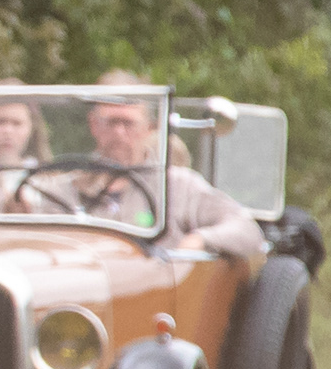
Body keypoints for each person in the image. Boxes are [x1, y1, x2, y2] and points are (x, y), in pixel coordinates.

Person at [68, 72, 265, 259]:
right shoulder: (65, 189)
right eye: (111, 122)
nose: (119, 132)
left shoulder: (179, 186)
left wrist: (199, 240)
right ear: (94, 125)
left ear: (148, 127)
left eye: (128, 123)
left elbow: (246, 229)